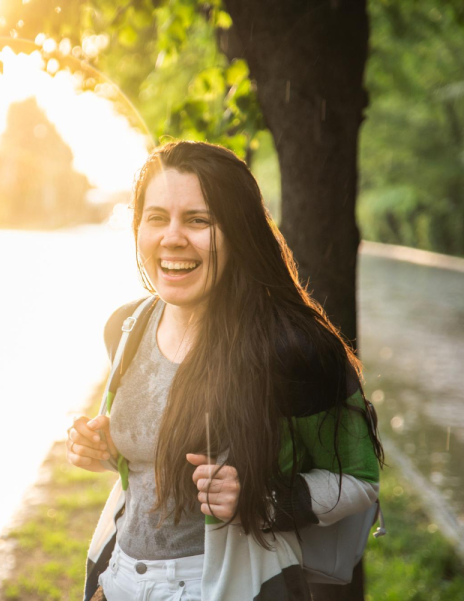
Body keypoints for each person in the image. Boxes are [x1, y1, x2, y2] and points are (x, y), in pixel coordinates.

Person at [66, 141, 383, 601]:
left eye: (198, 220)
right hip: (118, 580)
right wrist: (98, 445)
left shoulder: (292, 349)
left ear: (237, 230)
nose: (173, 237)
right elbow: (145, 466)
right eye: (157, 218)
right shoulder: (126, 327)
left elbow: (359, 481)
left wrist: (260, 499)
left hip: (224, 585)